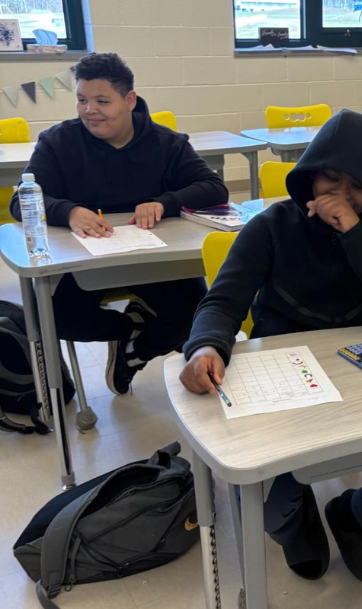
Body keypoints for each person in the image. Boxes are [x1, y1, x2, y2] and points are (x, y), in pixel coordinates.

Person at [180, 110, 362, 587]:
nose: (339, 195)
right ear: (311, 174)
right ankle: (298, 521)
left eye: (357, 187)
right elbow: (223, 301)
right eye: (331, 178)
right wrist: (205, 347)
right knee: (266, 505)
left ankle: (352, 518)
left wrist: (356, 234)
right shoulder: (273, 225)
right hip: (286, 383)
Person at [10, 52, 227, 395]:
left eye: (101, 101)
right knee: (50, 318)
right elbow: (19, 201)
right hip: (83, 261)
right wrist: (68, 211)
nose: (89, 110)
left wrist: (163, 202)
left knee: (193, 322)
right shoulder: (58, 142)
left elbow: (214, 187)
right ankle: (130, 329)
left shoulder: (165, 142)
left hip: (153, 259)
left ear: (129, 101)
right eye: (81, 100)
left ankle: (134, 353)